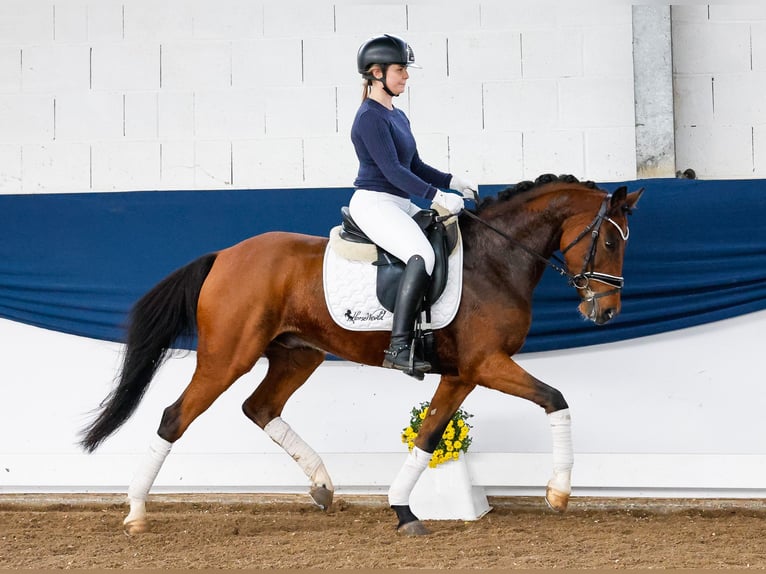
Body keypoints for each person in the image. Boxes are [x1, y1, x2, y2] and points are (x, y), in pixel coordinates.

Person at [349, 33, 477, 377]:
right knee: (423, 255)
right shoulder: (369, 118)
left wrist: (452, 181)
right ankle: (400, 345)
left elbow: (414, 165)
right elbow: (391, 171)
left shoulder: (396, 115)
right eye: (400, 70)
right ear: (377, 73)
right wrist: (436, 197)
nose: (406, 76)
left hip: (397, 200)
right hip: (374, 202)